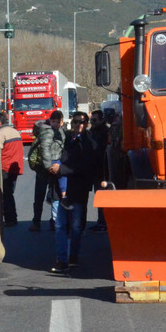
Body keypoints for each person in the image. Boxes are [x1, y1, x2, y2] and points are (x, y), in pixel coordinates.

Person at [49, 112, 103, 273]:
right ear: (71, 123)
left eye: (82, 122)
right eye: (76, 122)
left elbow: (87, 168)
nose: (78, 125)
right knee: (60, 225)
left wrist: (62, 169)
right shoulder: (66, 139)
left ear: (86, 124)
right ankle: (62, 260)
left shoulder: (89, 143)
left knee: (76, 226)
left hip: (78, 188)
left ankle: (73, 257)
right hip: (60, 188)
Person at [29, 110, 67, 232]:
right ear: (50, 121)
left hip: (55, 167)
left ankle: (53, 221)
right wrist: (48, 167)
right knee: (40, 196)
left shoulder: (61, 131)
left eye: (58, 121)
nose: (55, 124)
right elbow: (45, 150)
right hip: (45, 168)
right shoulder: (48, 132)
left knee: (54, 195)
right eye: (53, 121)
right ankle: (37, 222)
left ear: (62, 121)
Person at [87, 109, 110, 232]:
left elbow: (99, 149)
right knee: (99, 195)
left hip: (103, 169)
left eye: (95, 120)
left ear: (102, 120)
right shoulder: (92, 131)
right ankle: (101, 221)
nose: (92, 122)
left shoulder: (104, 132)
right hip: (96, 169)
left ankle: (104, 222)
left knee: (102, 195)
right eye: (91, 120)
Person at [0, 122, 23, 227]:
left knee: (6, 195)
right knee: (10, 193)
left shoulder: (0, 133)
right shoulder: (15, 132)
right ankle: (12, 217)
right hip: (15, 167)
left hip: (5, 167)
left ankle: (10, 219)